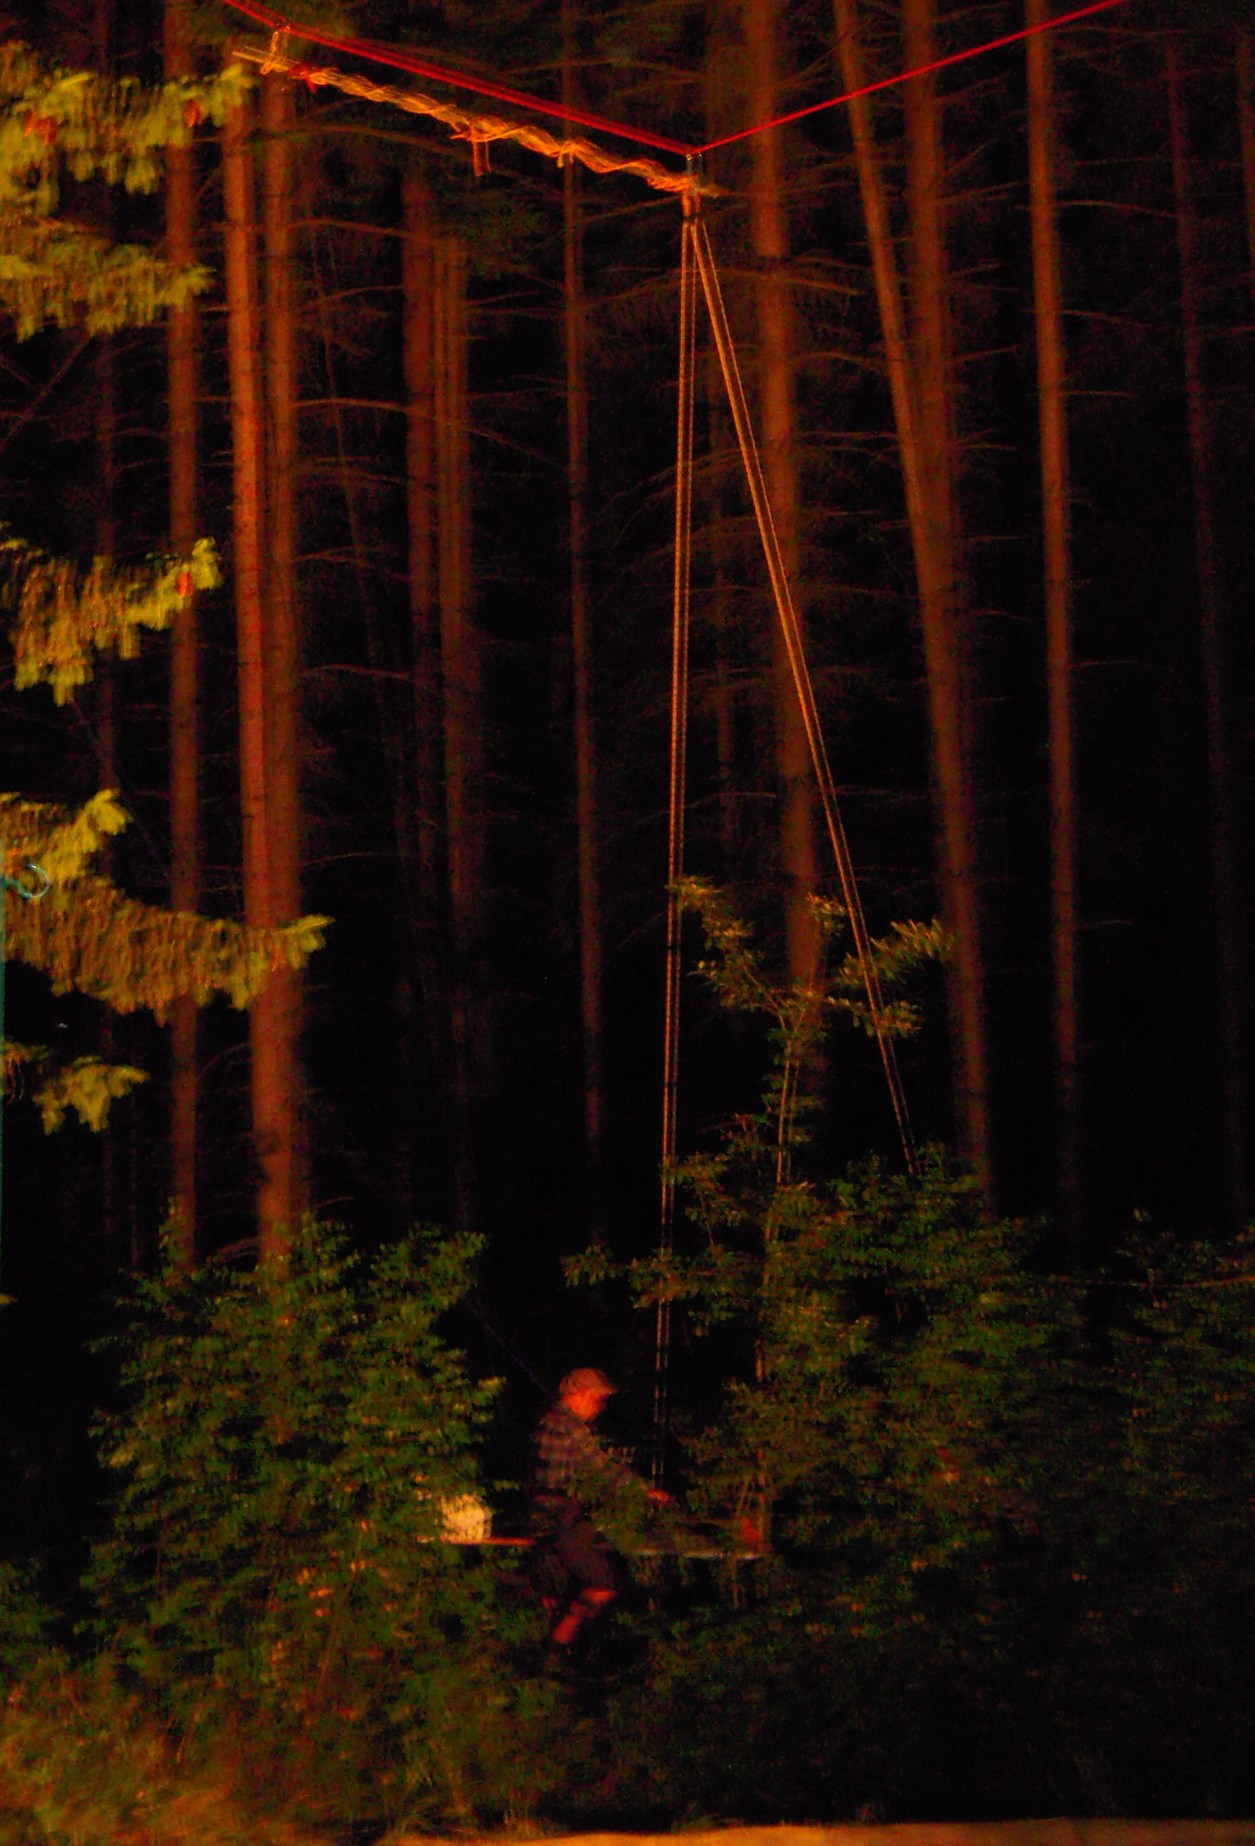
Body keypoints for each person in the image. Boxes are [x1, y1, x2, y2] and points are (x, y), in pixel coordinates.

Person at [529, 1366, 666, 1668]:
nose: (600, 1407)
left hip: (540, 1519)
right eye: (597, 1399)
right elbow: (601, 1468)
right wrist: (644, 1491)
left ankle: (558, 1662)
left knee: (560, 1595)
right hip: (561, 1519)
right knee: (605, 1583)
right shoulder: (569, 1427)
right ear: (579, 1395)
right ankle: (554, 1653)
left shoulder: (546, 1421)